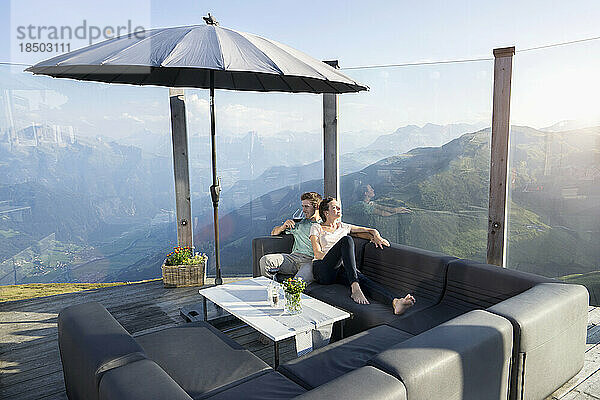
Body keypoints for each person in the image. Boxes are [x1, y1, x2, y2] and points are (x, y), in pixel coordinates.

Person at [310, 197, 416, 315]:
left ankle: (395, 302)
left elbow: (369, 230)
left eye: (339, 206)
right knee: (346, 240)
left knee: (363, 280)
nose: (339, 209)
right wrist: (339, 258)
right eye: (334, 207)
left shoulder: (344, 227)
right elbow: (317, 254)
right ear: (326, 212)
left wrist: (376, 236)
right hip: (322, 269)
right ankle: (355, 288)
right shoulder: (317, 227)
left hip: (338, 270)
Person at [259, 192, 322, 281]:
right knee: (265, 260)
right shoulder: (299, 223)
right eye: (302, 206)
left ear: (317, 207)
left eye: (306, 206)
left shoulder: (323, 225)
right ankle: (273, 288)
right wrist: (282, 227)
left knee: (296, 284)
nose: (303, 210)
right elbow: (273, 232)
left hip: (310, 261)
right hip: (293, 258)